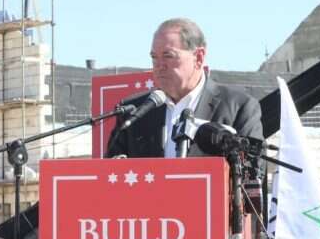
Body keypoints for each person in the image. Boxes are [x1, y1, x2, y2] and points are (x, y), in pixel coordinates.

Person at [107, 17, 263, 158]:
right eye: (154, 58)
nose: (159, 66)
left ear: (199, 57)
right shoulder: (134, 112)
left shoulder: (239, 107)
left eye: (168, 56)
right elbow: (110, 176)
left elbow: (252, 174)